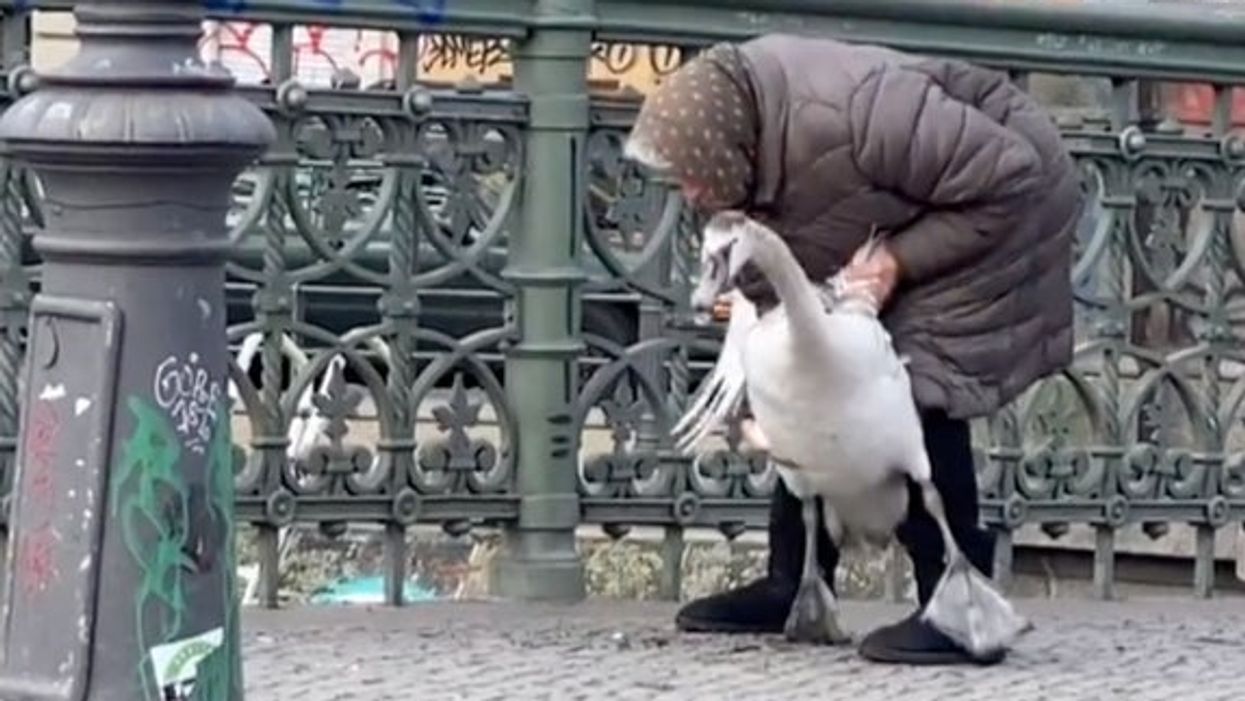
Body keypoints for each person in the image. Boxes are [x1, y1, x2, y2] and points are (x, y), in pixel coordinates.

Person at [624, 35, 1083, 666]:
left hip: (1008, 208)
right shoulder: (754, 128)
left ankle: (961, 609)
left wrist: (897, 259)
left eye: (694, 172)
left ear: (729, 147)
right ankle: (795, 584)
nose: (689, 191)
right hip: (923, 210)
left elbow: (1009, 177)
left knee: (918, 380)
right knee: (809, 381)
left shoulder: (859, 116)